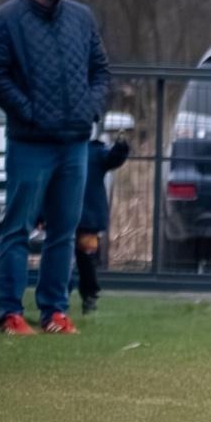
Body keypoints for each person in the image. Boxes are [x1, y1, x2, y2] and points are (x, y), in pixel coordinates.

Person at [0, 0, 111, 334]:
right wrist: (29, 111)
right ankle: (11, 313)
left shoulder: (81, 18)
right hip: (31, 143)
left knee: (64, 230)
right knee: (18, 228)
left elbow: (100, 71)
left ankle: (54, 310)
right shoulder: (7, 19)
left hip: (74, 143)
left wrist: (89, 109)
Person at [73, 129, 130, 313]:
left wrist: (120, 147)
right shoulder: (68, 148)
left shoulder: (95, 150)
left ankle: (89, 296)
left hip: (87, 217)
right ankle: (58, 300)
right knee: (63, 257)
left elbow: (112, 159)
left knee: (87, 259)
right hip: (67, 214)